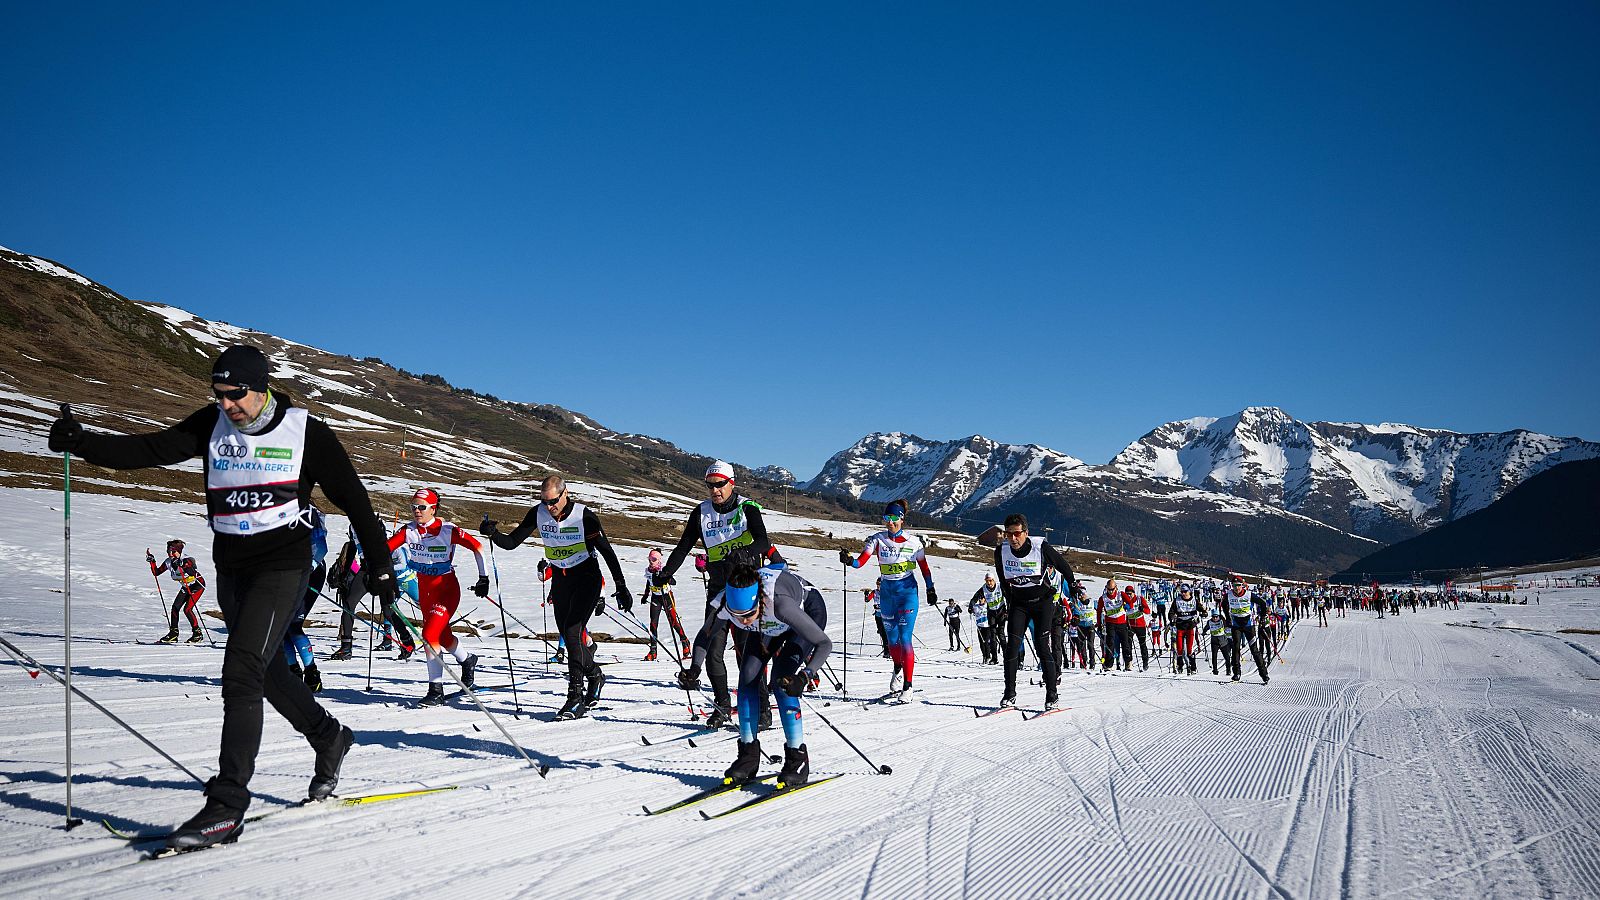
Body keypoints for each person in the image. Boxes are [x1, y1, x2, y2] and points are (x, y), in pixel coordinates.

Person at [48, 344, 397, 851]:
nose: (227, 404)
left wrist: (381, 567)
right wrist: (82, 443)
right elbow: (150, 451)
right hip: (232, 567)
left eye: (236, 395)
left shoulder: (305, 432)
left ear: (263, 388)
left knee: (240, 671)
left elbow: (355, 500)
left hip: (284, 565)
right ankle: (329, 737)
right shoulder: (211, 424)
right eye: (219, 394)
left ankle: (227, 805)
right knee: (269, 671)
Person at [677, 551, 831, 788]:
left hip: (806, 612)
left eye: (747, 614)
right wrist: (694, 668)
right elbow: (704, 636)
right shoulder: (725, 603)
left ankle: (797, 758)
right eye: (738, 617)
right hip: (767, 624)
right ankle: (748, 756)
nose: (744, 621)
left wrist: (804, 675)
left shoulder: (779, 603)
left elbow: (824, 644)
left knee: (783, 681)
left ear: (757, 601)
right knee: (747, 678)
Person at [481, 474, 629, 720]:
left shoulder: (585, 516)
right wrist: (493, 533)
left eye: (553, 501)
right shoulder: (538, 513)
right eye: (545, 501)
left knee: (572, 632)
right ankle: (595, 675)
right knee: (572, 639)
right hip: (561, 581)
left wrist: (621, 586)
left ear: (565, 493)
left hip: (586, 577)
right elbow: (511, 542)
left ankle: (575, 698)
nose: (549, 507)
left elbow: (608, 553)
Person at [652, 462, 782, 728]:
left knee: (748, 652)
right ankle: (722, 705)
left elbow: (763, 541)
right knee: (713, 650)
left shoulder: (747, 508)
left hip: (746, 589)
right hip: (718, 590)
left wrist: (745, 553)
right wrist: (666, 572)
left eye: (720, 484)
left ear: (731, 483)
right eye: (710, 485)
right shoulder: (701, 513)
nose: (715, 490)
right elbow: (683, 546)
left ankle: (762, 708)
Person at [388, 488, 488, 706]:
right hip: (426, 591)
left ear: (433, 508)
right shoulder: (409, 531)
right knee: (442, 637)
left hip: (446, 589)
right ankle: (468, 660)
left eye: (421, 507)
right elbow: (385, 549)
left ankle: (436, 690)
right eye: (413, 507)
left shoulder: (448, 530)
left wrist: (484, 578)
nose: (416, 511)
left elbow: (478, 547)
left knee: (429, 634)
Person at [841, 500, 937, 701]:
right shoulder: (877, 540)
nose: (890, 522)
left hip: (907, 593)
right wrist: (849, 560)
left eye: (893, 518)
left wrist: (930, 588)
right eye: (886, 518)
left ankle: (908, 686)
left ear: (901, 518)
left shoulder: (914, 543)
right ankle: (897, 667)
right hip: (887, 594)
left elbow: (925, 568)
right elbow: (860, 562)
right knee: (892, 640)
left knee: (905, 638)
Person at [992, 514, 1077, 709]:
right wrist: (1009, 600)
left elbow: (1063, 566)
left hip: (1043, 603)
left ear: (1026, 533)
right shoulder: (1001, 551)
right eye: (1008, 534)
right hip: (1019, 603)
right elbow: (1002, 577)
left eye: (1017, 534)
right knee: (1012, 646)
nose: (1013, 539)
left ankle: (1051, 694)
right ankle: (1009, 693)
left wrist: (1072, 586)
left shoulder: (1040, 548)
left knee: (1041, 645)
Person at [280, 506, 328, 691]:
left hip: (310, 572)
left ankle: (312, 674)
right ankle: (293, 672)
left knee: (293, 625)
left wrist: (307, 569)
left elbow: (321, 546)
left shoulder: (307, 512)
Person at [147, 539, 207, 644]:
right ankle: (173, 634)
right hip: (186, 586)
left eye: (173, 551)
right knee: (175, 608)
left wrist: (182, 565)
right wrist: (152, 561)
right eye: (168, 551)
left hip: (197, 585)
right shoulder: (168, 562)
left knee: (187, 609)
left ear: (179, 551)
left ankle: (197, 634)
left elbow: (192, 572)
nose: (170, 554)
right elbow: (156, 572)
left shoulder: (187, 559)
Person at [640, 549, 690, 661]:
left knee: (673, 621)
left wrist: (665, 577)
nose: (651, 562)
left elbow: (674, 582)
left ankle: (685, 642)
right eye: (649, 559)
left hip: (666, 597)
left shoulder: (663, 569)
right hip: (655, 597)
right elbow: (649, 582)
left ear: (658, 560)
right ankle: (653, 651)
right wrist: (645, 595)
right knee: (653, 624)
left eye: (653, 559)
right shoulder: (648, 570)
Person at [1223, 575, 1270, 684]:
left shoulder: (1248, 594)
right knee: (1235, 649)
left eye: (1239, 585)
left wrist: (1262, 617)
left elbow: (1263, 603)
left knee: (1254, 650)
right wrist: (1228, 618)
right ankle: (1236, 673)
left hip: (1249, 625)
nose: (1237, 588)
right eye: (1234, 586)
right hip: (1236, 625)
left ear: (1242, 585)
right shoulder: (1228, 595)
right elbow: (1224, 605)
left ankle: (1264, 674)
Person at [1099, 579, 1131, 671]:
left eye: (1112, 589)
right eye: (1109, 589)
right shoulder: (1103, 598)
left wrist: (1127, 606)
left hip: (1122, 623)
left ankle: (1128, 662)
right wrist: (1099, 623)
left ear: (1116, 587)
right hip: (1110, 623)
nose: (1111, 591)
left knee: (1125, 643)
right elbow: (1099, 611)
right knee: (1110, 643)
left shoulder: (1121, 594)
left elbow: (1130, 603)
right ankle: (1109, 664)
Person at [969, 574, 1002, 664]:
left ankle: (999, 657)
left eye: (990, 580)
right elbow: (973, 600)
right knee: (987, 641)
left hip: (994, 619)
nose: (989, 583)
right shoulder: (982, 592)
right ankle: (989, 657)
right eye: (987, 581)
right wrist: (970, 606)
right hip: (985, 622)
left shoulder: (999, 587)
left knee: (995, 638)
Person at [1170, 586, 1200, 675]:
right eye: (1182, 592)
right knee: (1179, 649)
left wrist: (1203, 612)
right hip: (1180, 627)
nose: (1183, 593)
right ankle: (1180, 666)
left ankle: (1193, 667)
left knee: (1189, 649)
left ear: (1189, 591)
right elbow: (1171, 612)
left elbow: (1201, 609)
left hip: (1190, 626)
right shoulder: (1177, 600)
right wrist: (1171, 618)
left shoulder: (1194, 600)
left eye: (1185, 591)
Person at [1070, 584, 1097, 671]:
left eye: (1084, 594)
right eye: (1081, 594)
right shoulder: (1077, 603)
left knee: (1090, 644)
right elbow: (1073, 611)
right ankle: (1084, 662)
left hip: (1090, 625)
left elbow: (1100, 608)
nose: (1082, 596)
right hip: (1081, 626)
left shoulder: (1092, 601)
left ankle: (1092, 663)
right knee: (1081, 645)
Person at [1125, 585, 1153, 671]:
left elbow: (1148, 611)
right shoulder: (1124, 601)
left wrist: (1142, 609)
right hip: (1130, 626)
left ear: (1133, 593)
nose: (1129, 595)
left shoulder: (1139, 599)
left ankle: (1145, 662)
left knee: (1142, 644)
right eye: (1127, 594)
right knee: (1128, 644)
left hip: (1140, 626)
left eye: (1130, 593)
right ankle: (1129, 663)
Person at [1206, 605, 1230, 675]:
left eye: (1216, 616)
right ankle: (1215, 670)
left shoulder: (1222, 621)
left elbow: (1226, 623)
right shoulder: (1209, 622)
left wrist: (1221, 615)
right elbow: (1206, 627)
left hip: (1223, 640)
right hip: (1214, 641)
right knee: (1214, 656)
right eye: (1213, 617)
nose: (1215, 618)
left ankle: (1228, 670)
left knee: (1227, 656)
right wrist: (1204, 632)